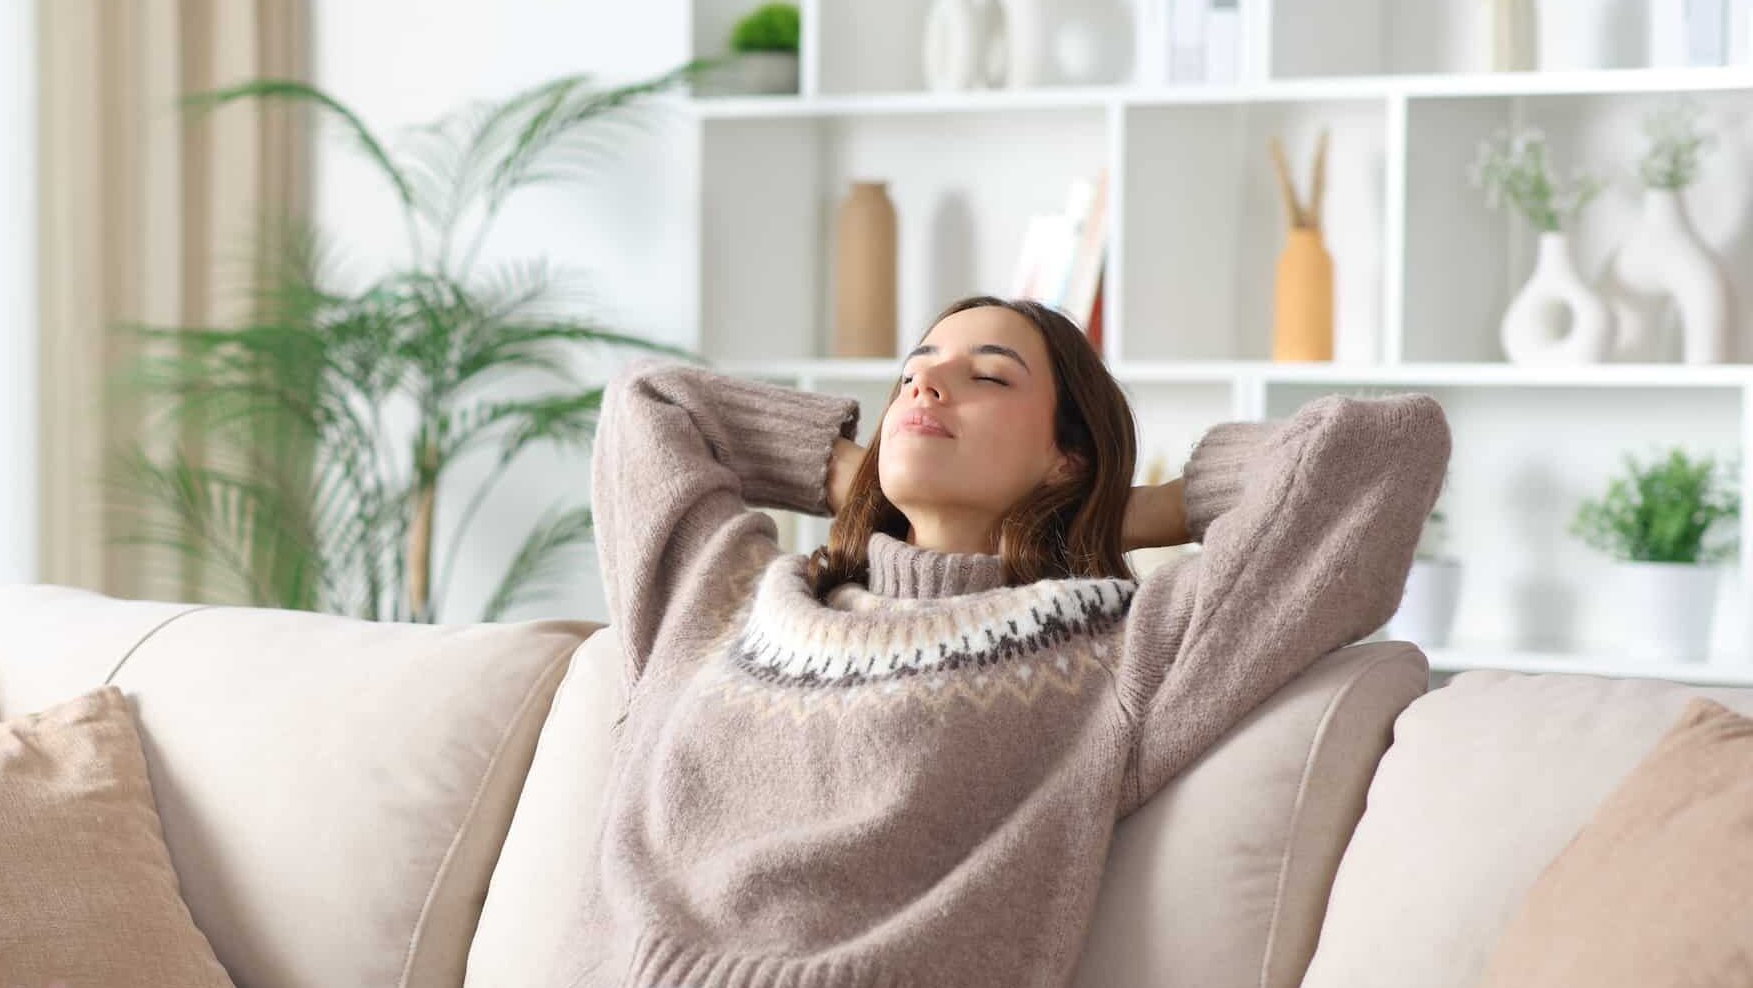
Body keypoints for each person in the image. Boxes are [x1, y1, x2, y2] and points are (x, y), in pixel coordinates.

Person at [562, 295, 1452, 987]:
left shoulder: (1114, 652)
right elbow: (651, 404)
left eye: (987, 377)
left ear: (1066, 458)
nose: (924, 388)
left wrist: (1133, 509)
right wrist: (858, 472)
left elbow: (1382, 449)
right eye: (913, 374)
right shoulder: (720, 603)